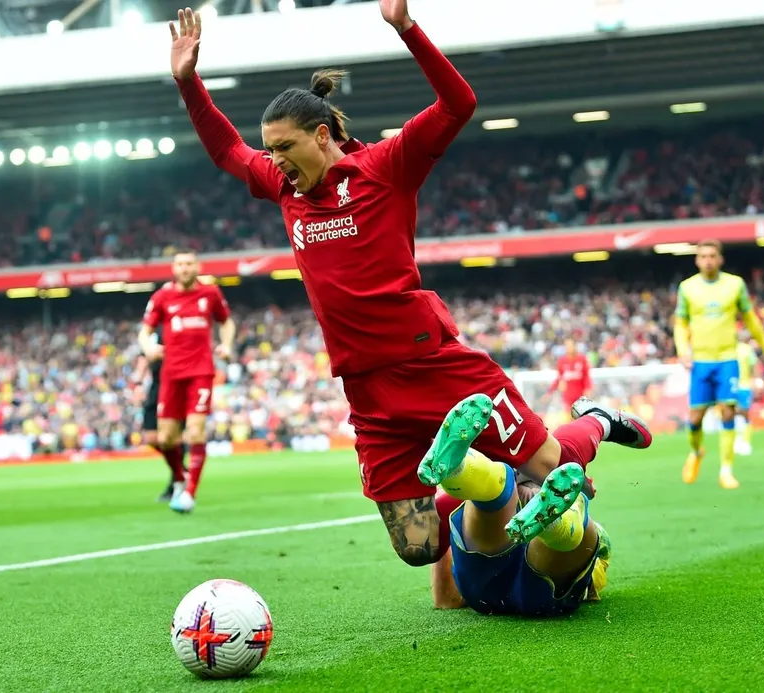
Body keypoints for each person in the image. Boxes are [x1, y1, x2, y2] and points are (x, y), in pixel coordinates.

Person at [169, 1, 652, 566]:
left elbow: (459, 104)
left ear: (321, 136)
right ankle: (490, 481)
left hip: (430, 362)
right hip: (367, 389)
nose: (272, 160)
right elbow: (228, 150)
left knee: (549, 461)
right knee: (420, 547)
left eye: (283, 147)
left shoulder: (386, 165)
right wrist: (189, 82)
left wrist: (407, 29)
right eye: (269, 149)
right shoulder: (284, 188)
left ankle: (595, 422)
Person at [422, 396, 624, 615]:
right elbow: (590, 584)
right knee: (574, 538)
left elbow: (447, 599)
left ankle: (460, 470)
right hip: (545, 596)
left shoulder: (459, 504)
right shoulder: (564, 471)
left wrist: (445, 494)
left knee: (492, 492)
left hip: (483, 589)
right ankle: (561, 522)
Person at [674, 240, 764, 489]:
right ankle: (697, 451)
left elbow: (751, 318)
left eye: (712, 255)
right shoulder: (687, 288)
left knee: (728, 412)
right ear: (697, 260)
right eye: (703, 256)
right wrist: (681, 350)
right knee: (695, 418)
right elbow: (680, 323)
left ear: (720, 259)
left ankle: (726, 471)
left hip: (727, 359)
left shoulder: (735, 285)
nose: (708, 260)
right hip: (701, 361)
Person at [138, 252, 235, 513]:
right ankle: (180, 480)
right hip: (171, 374)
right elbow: (145, 331)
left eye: (189, 263)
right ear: (173, 268)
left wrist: (226, 345)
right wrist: (148, 346)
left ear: (197, 267)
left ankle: (189, 494)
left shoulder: (210, 293)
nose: (185, 268)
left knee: (195, 431)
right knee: (166, 438)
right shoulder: (162, 297)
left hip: (201, 371)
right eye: (180, 264)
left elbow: (226, 322)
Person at [132, 324, 188, 501]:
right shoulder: (153, 330)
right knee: (152, 437)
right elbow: (144, 357)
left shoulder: (180, 327)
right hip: (156, 386)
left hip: (176, 385)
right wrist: (138, 383)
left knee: (173, 436)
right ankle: (182, 470)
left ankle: (176, 481)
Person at [542, 338, 593, 423]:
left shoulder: (582, 359)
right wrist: (549, 392)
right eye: (566, 345)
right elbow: (558, 378)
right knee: (569, 419)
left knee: (582, 419)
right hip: (568, 396)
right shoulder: (562, 361)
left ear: (574, 346)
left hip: (580, 395)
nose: (568, 347)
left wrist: (588, 389)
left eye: (570, 345)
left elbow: (586, 376)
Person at [733, 338, 759, 457]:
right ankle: (737, 440)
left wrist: (756, 381)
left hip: (744, 386)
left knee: (744, 413)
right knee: (731, 414)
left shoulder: (746, 349)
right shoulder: (726, 349)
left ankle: (746, 442)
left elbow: (754, 367)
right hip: (731, 386)